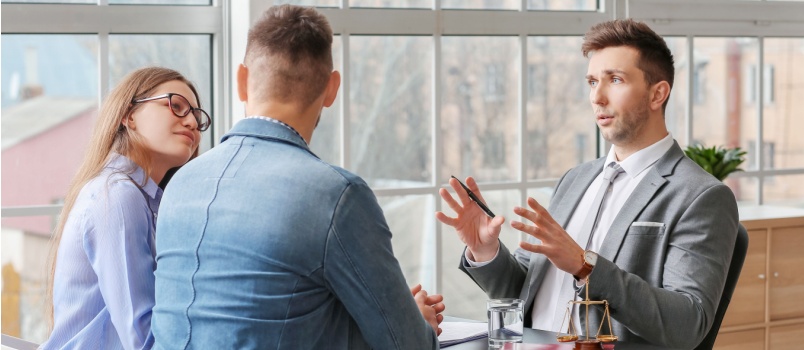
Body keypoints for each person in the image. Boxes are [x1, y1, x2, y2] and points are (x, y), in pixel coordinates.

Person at [151, 5, 444, 349]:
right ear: (332, 88)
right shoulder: (337, 196)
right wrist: (415, 322)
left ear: (241, 81)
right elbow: (407, 345)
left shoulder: (179, 183)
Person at [437, 19, 739, 349]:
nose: (597, 96)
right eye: (592, 81)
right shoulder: (575, 179)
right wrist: (485, 250)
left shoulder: (702, 196)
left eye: (615, 79)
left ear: (658, 93)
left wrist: (585, 266)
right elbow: (523, 293)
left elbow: (688, 324)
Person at [42, 66, 210, 350]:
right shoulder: (119, 196)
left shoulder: (145, 200)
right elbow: (143, 338)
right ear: (129, 116)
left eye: (196, 115)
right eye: (176, 106)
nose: (192, 122)